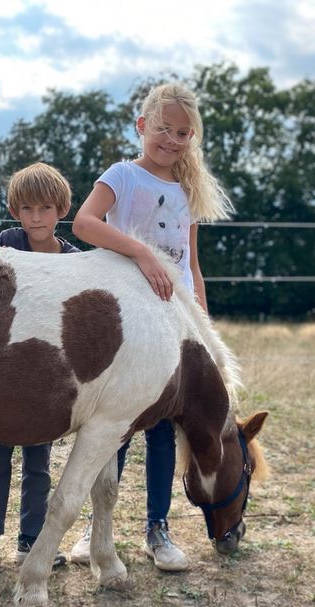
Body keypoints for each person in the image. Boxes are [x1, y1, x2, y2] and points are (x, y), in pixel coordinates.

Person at [70, 83, 233, 571]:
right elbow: (83, 222)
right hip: (131, 318)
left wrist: (202, 324)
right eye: (163, 128)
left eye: (183, 132)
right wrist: (142, 252)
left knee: (163, 431)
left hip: (175, 325)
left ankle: (157, 529)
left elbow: (192, 267)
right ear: (142, 126)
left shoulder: (187, 192)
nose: (172, 139)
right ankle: (95, 528)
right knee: (115, 428)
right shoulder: (123, 175)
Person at [0, 162, 80, 576]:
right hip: (3, 372)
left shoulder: (73, 260)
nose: (37, 217)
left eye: (46, 208)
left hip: (47, 378)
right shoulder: (5, 247)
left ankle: (32, 538)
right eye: (28, 208)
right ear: (16, 211)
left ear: (61, 210)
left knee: (39, 465)